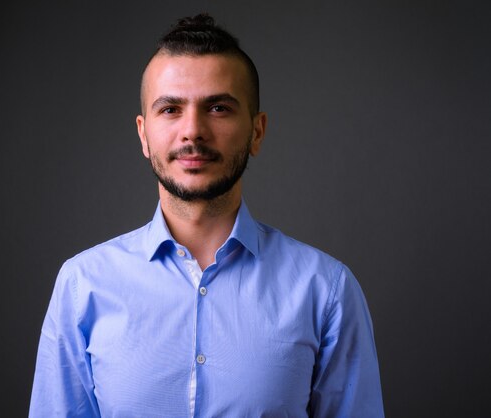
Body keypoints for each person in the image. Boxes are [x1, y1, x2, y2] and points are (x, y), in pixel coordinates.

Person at [29, 13, 384, 418]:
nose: (193, 131)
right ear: (144, 134)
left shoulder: (327, 291)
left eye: (218, 108)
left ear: (257, 131)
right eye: (170, 109)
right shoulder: (82, 286)